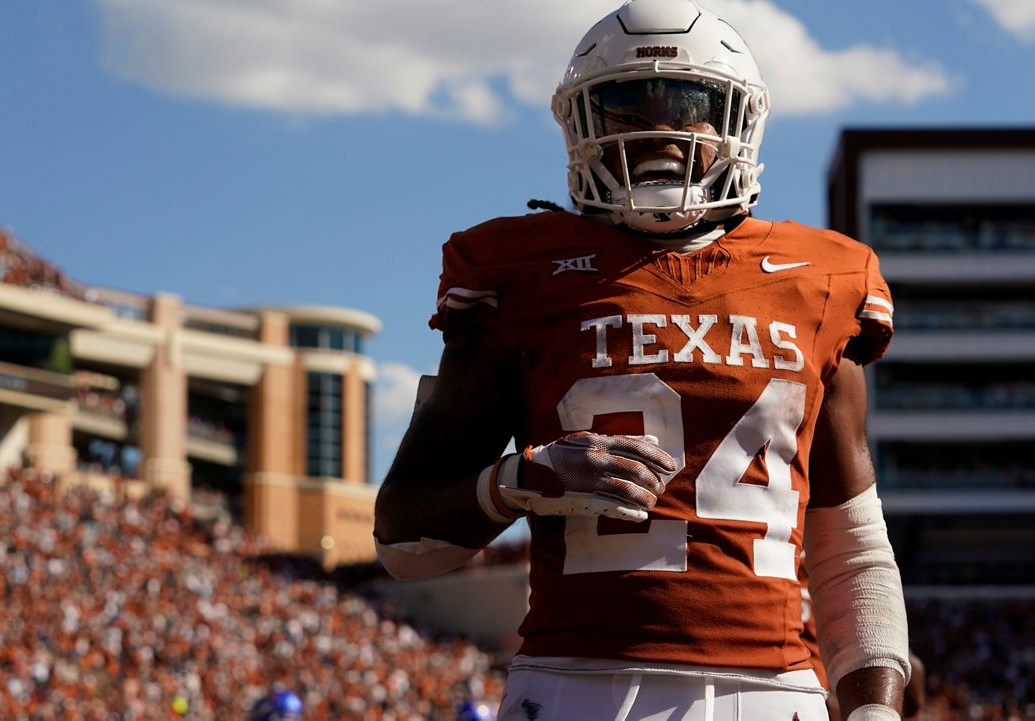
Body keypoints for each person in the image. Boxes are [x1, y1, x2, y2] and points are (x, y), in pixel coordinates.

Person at [374, 0, 910, 718]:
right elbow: (407, 544)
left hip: (771, 690)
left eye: (688, 102)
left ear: (736, 121)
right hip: (574, 682)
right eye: (628, 104)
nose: (660, 129)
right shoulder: (517, 269)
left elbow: (852, 548)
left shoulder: (823, 278)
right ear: (583, 122)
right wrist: (519, 478)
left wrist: (875, 708)